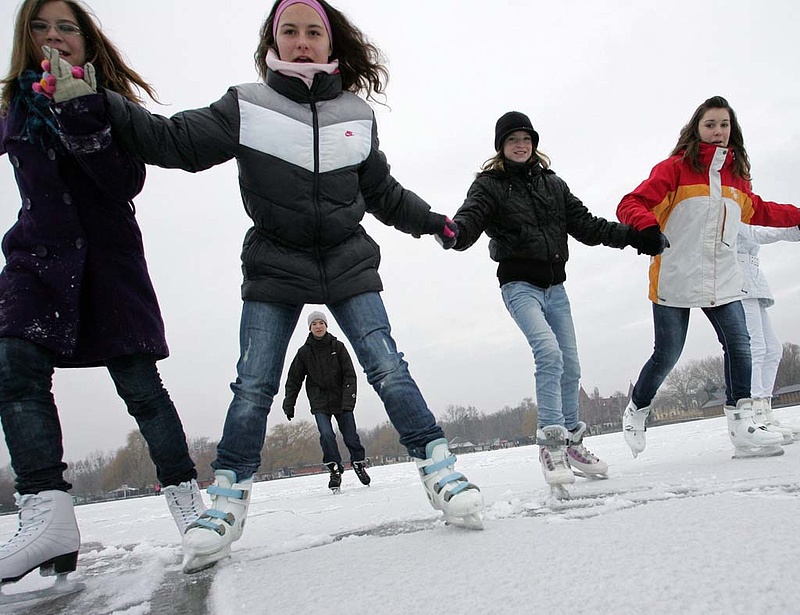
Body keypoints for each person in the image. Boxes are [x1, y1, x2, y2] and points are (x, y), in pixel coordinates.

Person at [56, 0, 484, 571]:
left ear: (330, 44)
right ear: (273, 42)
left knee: (388, 365)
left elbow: (382, 192)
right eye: (290, 31)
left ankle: (439, 468)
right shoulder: (248, 105)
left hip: (347, 259)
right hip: (276, 262)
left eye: (313, 32)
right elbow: (174, 140)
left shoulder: (355, 113)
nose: (302, 42)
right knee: (254, 384)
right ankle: (228, 498)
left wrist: (432, 222)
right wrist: (99, 100)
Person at [0, 0, 205, 590]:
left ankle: (188, 504)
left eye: (67, 27)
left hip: (108, 261)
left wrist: (79, 109)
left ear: (87, 40)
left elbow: (125, 181)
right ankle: (46, 514)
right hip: (39, 258)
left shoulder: (107, 101)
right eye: (41, 26)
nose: (54, 36)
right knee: (13, 364)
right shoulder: (13, 105)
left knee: (140, 386)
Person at [445, 111, 666, 494]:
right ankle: (551, 446)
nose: (520, 145)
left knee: (571, 366)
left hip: (555, 288)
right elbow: (469, 219)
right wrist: (453, 233)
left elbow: (588, 225)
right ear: (501, 146)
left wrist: (635, 237)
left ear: (533, 143)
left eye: (526, 138)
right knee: (549, 353)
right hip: (519, 285)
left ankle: (572, 443)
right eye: (512, 139)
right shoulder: (489, 186)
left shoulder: (553, 184)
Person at [617, 95, 800, 460]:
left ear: (733, 130)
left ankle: (742, 426)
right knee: (667, 354)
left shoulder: (735, 177)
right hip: (676, 275)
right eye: (710, 124)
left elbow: (758, 210)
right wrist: (648, 228)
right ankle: (637, 408)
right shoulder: (674, 169)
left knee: (740, 345)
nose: (718, 131)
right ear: (696, 129)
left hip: (722, 277)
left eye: (724, 125)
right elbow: (630, 203)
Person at [283, 311, 371, 491]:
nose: (318, 326)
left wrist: (349, 400)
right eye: (314, 324)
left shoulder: (338, 347)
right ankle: (334, 469)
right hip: (319, 401)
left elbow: (350, 375)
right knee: (327, 435)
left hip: (341, 399)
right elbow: (294, 379)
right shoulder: (304, 352)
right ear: (310, 328)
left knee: (351, 437)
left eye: (321, 323)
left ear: (326, 325)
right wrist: (289, 403)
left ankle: (358, 463)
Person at [737, 224, 800, 442]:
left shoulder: (744, 212)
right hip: (739, 283)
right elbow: (756, 234)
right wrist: (793, 228)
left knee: (773, 349)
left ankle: (765, 410)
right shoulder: (730, 211)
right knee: (757, 347)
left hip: (752, 281)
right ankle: (755, 414)